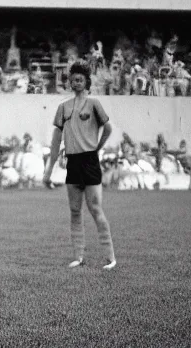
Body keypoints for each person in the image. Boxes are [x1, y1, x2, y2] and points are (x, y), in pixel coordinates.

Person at [43, 61, 116, 270]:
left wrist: (97, 148)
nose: (76, 82)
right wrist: (48, 170)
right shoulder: (63, 107)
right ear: (70, 82)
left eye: (80, 79)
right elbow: (56, 141)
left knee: (95, 208)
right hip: (73, 162)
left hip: (90, 161)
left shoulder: (94, 104)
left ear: (86, 82)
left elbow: (108, 129)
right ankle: (78, 256)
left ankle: (110, 257)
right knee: (75, 210)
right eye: (73, 79)